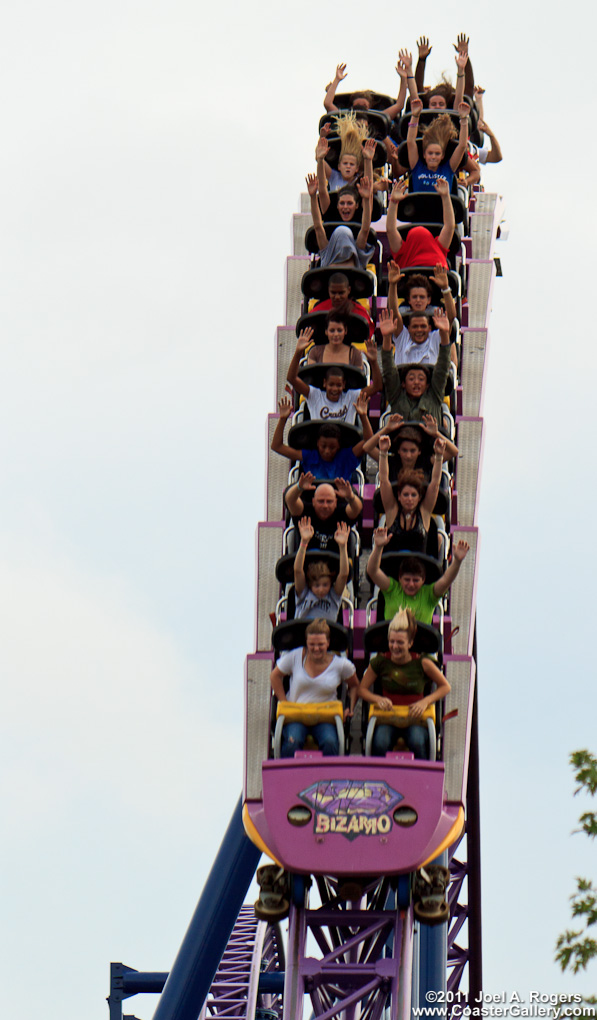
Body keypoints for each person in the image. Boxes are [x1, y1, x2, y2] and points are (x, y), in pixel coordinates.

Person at [358, 608, 450, 759]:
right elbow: (362, 689)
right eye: (391, 642)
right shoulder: (380, 662)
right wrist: (378, 699)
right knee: (381, 741)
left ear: (410, 643)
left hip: (415, 718)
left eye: (400, 642)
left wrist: (425, 702)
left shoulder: (423, 663)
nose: (395, 647)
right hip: (388, 717)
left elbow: (445, 686)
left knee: (417, 740)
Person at [270, 618, 359, 757]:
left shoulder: (340, 665)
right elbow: (274, 676)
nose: (316, 648)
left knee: (330, 742)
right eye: (312, 644)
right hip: (296, 715)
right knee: (294, 740)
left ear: (328, 643)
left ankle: (330, 776)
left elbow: (354, 686)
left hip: (325, 717)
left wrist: (350, 707)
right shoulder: (296, 656)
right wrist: (284, 703)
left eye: (320, 644)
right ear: (306, 643)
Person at [366, 530, 470, 621]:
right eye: (407, 580)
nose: (411, 584)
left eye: (415, 580)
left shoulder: (429, 595)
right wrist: (378, 547)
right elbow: (372, 571)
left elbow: (446, 580)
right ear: (399, 578)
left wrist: (457, 561)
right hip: (393, 642)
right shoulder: (392, 589)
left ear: (423, 580)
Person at [286, 329, 381, 421]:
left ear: (344, 384)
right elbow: (291, 378)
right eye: (331, 385)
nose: (335, 389)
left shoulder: (350, 397)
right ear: (324, 383)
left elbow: (377, 387)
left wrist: (373, 362)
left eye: (338, 385)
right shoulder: (315, 395)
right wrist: (298, 352)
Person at [379, 306, 451, 426]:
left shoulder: (434, 397)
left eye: (421, 379)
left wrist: (444, 333)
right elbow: (388, 370)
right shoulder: (396, 396)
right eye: (411, 379)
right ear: (403, 383)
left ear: (428, 384)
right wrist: (387, 337)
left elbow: (443, 367)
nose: (416, 382)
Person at [271, 394, 372, 476]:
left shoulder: (346, 457)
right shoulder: (310, 456)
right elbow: (277, 446)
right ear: (317, 443)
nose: (327, 451)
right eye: (324, 446)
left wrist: (363, 416)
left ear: (338, 446)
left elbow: (369, 441)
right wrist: (283, 419)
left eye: (332, 447)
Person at [377, 434, 445, 554]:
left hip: (417, 570)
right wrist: (383, 453)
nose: (409, 499)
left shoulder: (424, 512)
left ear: (419, 498)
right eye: (406, 495)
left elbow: (435, 483)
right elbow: (383, 481)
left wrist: (439, 456)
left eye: (413, 495)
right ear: (399, 496)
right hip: (395, 569)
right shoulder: (392, 511)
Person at [306, 173, 374, 270]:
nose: (345, 207)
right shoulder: (327, 254)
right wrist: (313, 197)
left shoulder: (357, 253)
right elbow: (318, 227)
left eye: (349, 203)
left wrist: (367, 199)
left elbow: (365, 229)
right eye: (342, 203)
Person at [386, 179, 455, 270]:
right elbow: (449, 226)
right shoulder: (438, 247)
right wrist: (393, 202)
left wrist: (446, 196)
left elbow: (390, 230)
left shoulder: (438, 248)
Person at [406, 97, 470, 193]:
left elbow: (462, 146)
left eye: (437, 154)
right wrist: (415, 116)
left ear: (442, 156)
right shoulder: (417, 167)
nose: (433, 157)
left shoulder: (447, 169)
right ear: (424, 155)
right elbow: (410, 142)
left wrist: (464, 119)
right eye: (430, 153)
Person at [285, 476, 362, 552]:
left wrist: (350, 497)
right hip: (306, 562)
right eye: (321, 501)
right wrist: (299, 487)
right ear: (313, 501)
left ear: (335, 502)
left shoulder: (342, 513)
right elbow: (289, 500)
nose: (325, 506)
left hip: (338, 562)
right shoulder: (304, 512)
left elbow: (357, 508)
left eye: (329, 501)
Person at [294, 518, 349, 620]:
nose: (321, 589)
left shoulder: (333, 596)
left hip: (325, 634)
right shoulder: (304, 593)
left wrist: (342, 546)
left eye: (325, 585)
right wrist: (304, 542)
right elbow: (297, 571)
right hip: (305, 633)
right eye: (316, 585)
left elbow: (343, 575)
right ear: (310, 585)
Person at [363, 418, 458, 475]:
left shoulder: (427, 462)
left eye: (412, 451)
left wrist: (436, 433)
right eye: (404, 450)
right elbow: (367, 448)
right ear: (398, 450)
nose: (408, 455)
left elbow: (454, 451)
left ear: (419, 451)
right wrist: (386, 429)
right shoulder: (390, 462)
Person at [316, 134, 376, 211]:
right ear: (339, 166)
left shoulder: (359, 180)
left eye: (351, 164)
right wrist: (322, 138)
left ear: (357, 168)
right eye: (345, 163)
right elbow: (320, 162)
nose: (348, 166)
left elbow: (369, 184)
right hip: (335, 211)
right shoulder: (334, 176)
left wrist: (368, 159)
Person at [309, 272, 374, 339]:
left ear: (348, 290)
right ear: (328, 290)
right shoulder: (318, 310)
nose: (337, 297)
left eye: (341, 293)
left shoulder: (360, 311)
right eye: (333, 293)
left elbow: (368, 334)